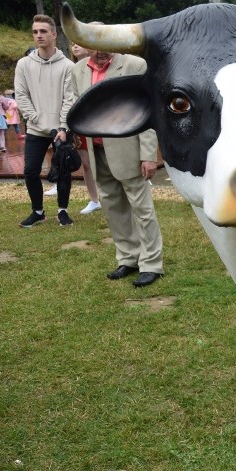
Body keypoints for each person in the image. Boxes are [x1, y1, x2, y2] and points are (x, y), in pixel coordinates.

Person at [72, 40, 165, 287]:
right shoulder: (78, 70)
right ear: (85, 46)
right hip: (97, 150)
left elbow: (147, 110)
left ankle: (151, 264)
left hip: (129, 151)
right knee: (113, 208)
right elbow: (75, 104)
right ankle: (128, 258)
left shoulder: (135, 65)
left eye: (105, 45)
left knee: (142, 209)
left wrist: (148, 155)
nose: (100, 51)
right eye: (94, 46)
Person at [14, 14, 76, 228]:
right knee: (30, 170)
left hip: (62, 129)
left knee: (64, 170)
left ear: (54, 34)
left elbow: (70, 98)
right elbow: (21, 96)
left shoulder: (67, 65)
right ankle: (38, 211)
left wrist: (62, 127)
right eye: (35, 31)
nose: (38, 35)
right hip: (36, 128)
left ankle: (63, 211)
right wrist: (36, 119)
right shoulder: (23, 64)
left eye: (43, 31)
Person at [69, 42, 101, 215]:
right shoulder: (73, 69)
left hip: (103, 122)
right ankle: (94, 199)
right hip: (82, 122)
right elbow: (71, 96)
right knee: (87, 163)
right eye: (73, 44)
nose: (76, 47)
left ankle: (108, 195)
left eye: (79, 44)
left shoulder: (105, 65)